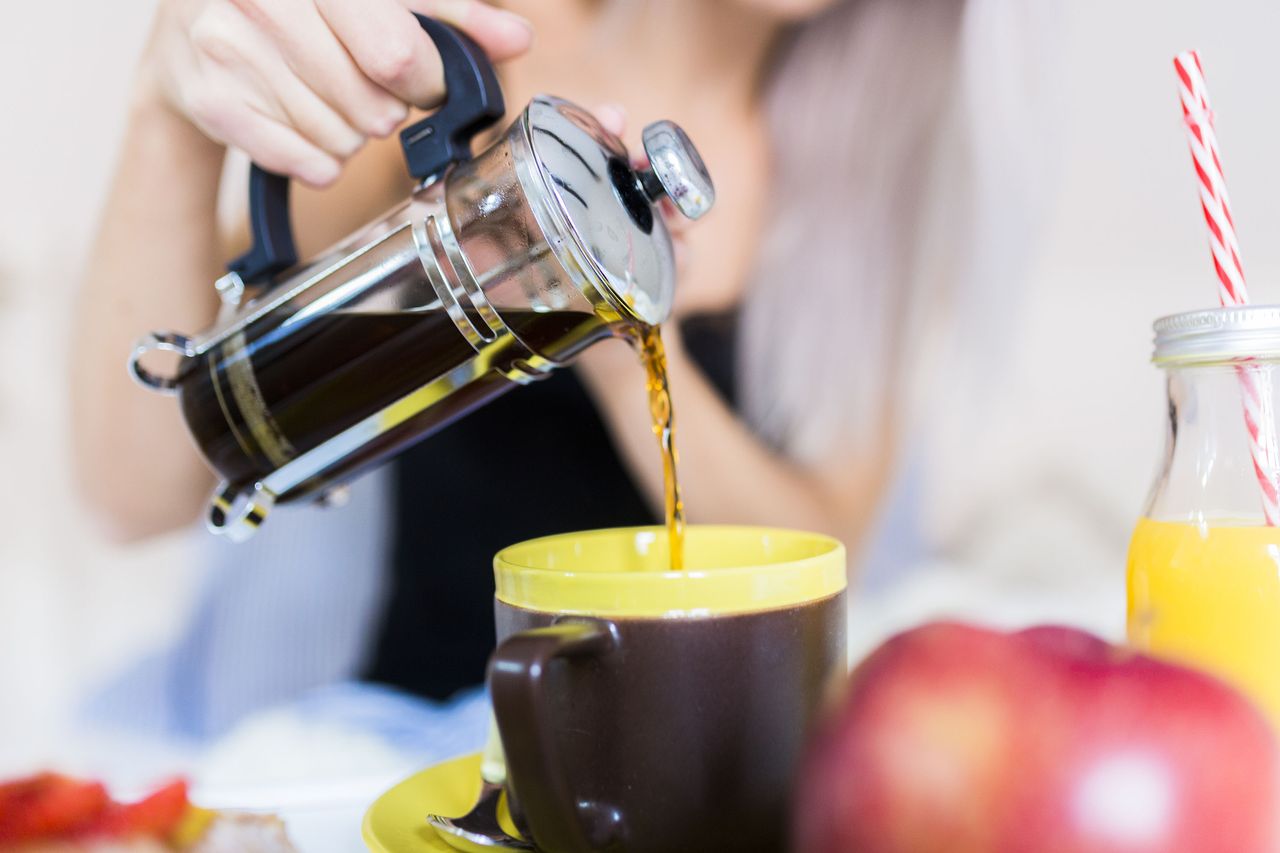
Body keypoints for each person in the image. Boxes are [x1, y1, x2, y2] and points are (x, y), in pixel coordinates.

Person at [71, 0, 994, 728]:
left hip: (688, 761)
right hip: (418, 739)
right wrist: (170, 114)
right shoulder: (473, 62)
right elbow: (137, 486)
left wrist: (597, 308)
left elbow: (826, 555)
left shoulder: (885, 185)